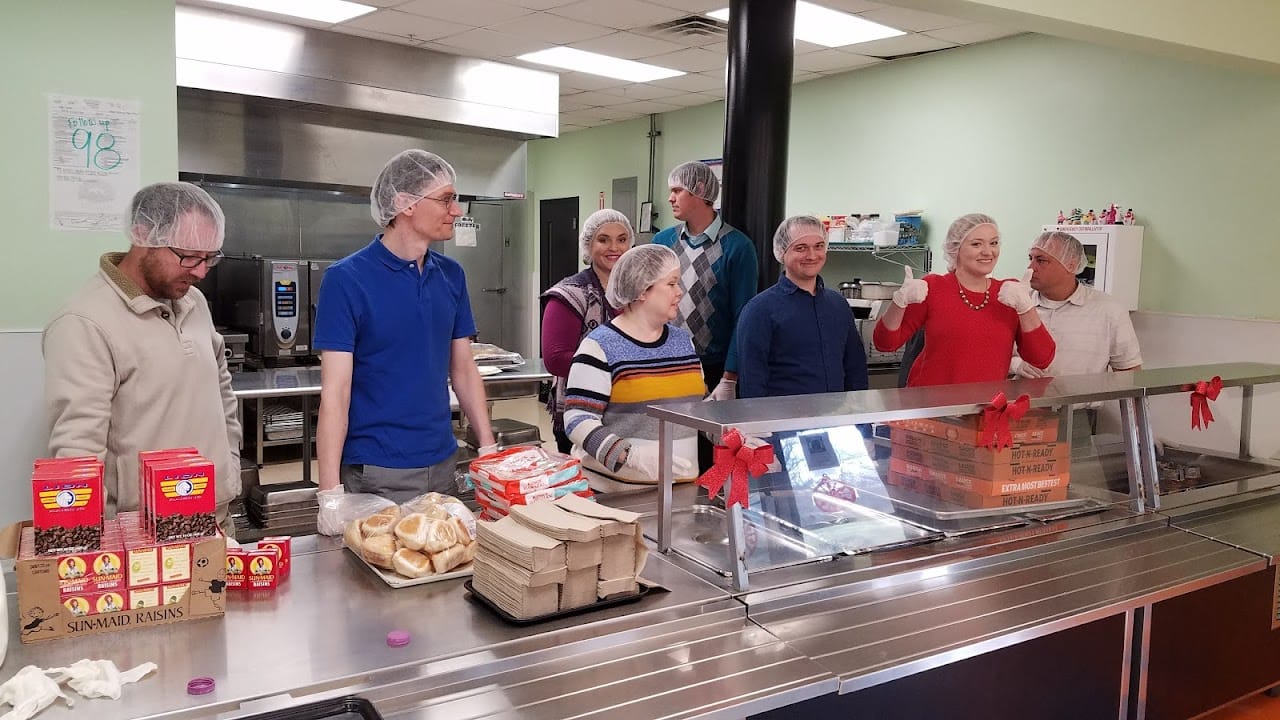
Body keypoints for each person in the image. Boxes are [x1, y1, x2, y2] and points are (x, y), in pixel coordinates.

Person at [44, 182, 242, 536]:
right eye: (188, 256)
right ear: (142, 234)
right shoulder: (84, 322)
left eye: (209, 258)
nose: (199, 271)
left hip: (214, 515)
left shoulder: (195, 304)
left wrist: (230, 468)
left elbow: (222, 393)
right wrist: (95, 544)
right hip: (140, 531)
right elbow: (77, 449)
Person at [314, 150, 495, 505]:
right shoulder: (346, 280)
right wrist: (329, 492)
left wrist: (486, 446)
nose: (456, 210)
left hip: (443, 460)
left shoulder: (451, 275)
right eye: (446, 199)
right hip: (377, 471)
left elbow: (463, 369)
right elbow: (335, 393)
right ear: (405, 204)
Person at [563, 245, 704, 487]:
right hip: (617, 495)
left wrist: (730, 434)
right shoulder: (599, 347)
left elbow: (696, 410)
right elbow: (577, 419)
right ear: (641, 290)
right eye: (671, 284)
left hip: (681, 490)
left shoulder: (684, 343)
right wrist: (629, 455)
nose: (679, 292)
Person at [873, 213, 1056, 387]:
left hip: (986, 409)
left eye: (994, 243)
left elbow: (1041, 359)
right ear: (956, 249)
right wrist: (899, 302)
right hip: (930, 409)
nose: (988, 251)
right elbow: (885, 344)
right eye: (976, 244)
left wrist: (1026, 308)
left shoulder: (1009, 293)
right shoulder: (933, 287)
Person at [652, 161, 758, 403]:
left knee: (705, 441)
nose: (670, 198)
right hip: (664, 361)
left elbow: (743, 316)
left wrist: (729, 377)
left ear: (699, 189)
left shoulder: (737, 247)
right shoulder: (663, 241)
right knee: (666, 438)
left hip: (713, 368)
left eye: (677, 191)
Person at [736, 215, 869, 399]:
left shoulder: (838, 305)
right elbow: (752, 382)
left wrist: (859, 417)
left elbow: (855, 369)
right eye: (801, 248)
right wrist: (760, 427)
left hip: (835, 421)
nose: (812, 255)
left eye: (818, 246)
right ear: (782, 252)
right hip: (783, 423)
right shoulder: (759, 310)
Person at [540, 209, 634, 453]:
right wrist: (622, 370)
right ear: (588, 245)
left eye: (622, 239)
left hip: (631, 415)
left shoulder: (639, 292)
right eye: (604, 239)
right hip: (580, 414)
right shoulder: (569, 294)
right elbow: (556, 359)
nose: (614, 247)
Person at [1014, 230, 1142, 378]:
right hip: (1025, 401)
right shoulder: (1017, 305)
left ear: (1071, 265)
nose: (1030, 267)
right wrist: (1015, 364)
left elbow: (1129, 372)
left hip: (1083, 401)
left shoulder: (1108, 310)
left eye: (1041, 260)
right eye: (1030, 258)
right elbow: (991, 356)